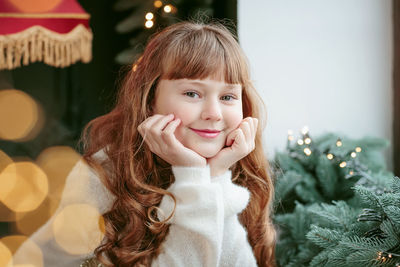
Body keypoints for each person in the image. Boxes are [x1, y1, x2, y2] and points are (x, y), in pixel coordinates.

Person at [12, 21, 276, 267]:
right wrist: (193, 175)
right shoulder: (105, 177)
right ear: (150, 100)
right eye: (192, 93)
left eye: (228, 96)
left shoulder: (237, 168)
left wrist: (215, 176)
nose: (214, 113)